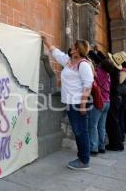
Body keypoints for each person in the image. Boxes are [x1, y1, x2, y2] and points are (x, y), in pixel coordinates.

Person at [43, 37, 94, 170]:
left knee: (81, 132)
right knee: (78, 131)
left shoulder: (83, 64)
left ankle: (84, 160)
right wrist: (47, 42)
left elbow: (88, 86)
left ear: (78, 50)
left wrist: (83, 105)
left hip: (78, 103)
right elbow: (57, 54)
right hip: (71, 103)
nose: (71, 48)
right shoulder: (69, 61)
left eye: (74, 46)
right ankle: (82, 158)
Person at [88, 58, 115, 155]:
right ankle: (102, 147)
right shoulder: (108, 75)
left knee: (93, 125)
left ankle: (93, 148)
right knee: (102, 126)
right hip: (107, 102)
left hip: (99, 102)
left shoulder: (97, 72)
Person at [106, 51, 126, 151]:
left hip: (114, 98)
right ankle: (117, 143)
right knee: (115, 121)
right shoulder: (116, 70)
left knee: (114, 122)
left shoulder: (114, 71)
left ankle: (117, 144)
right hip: (117, 98)